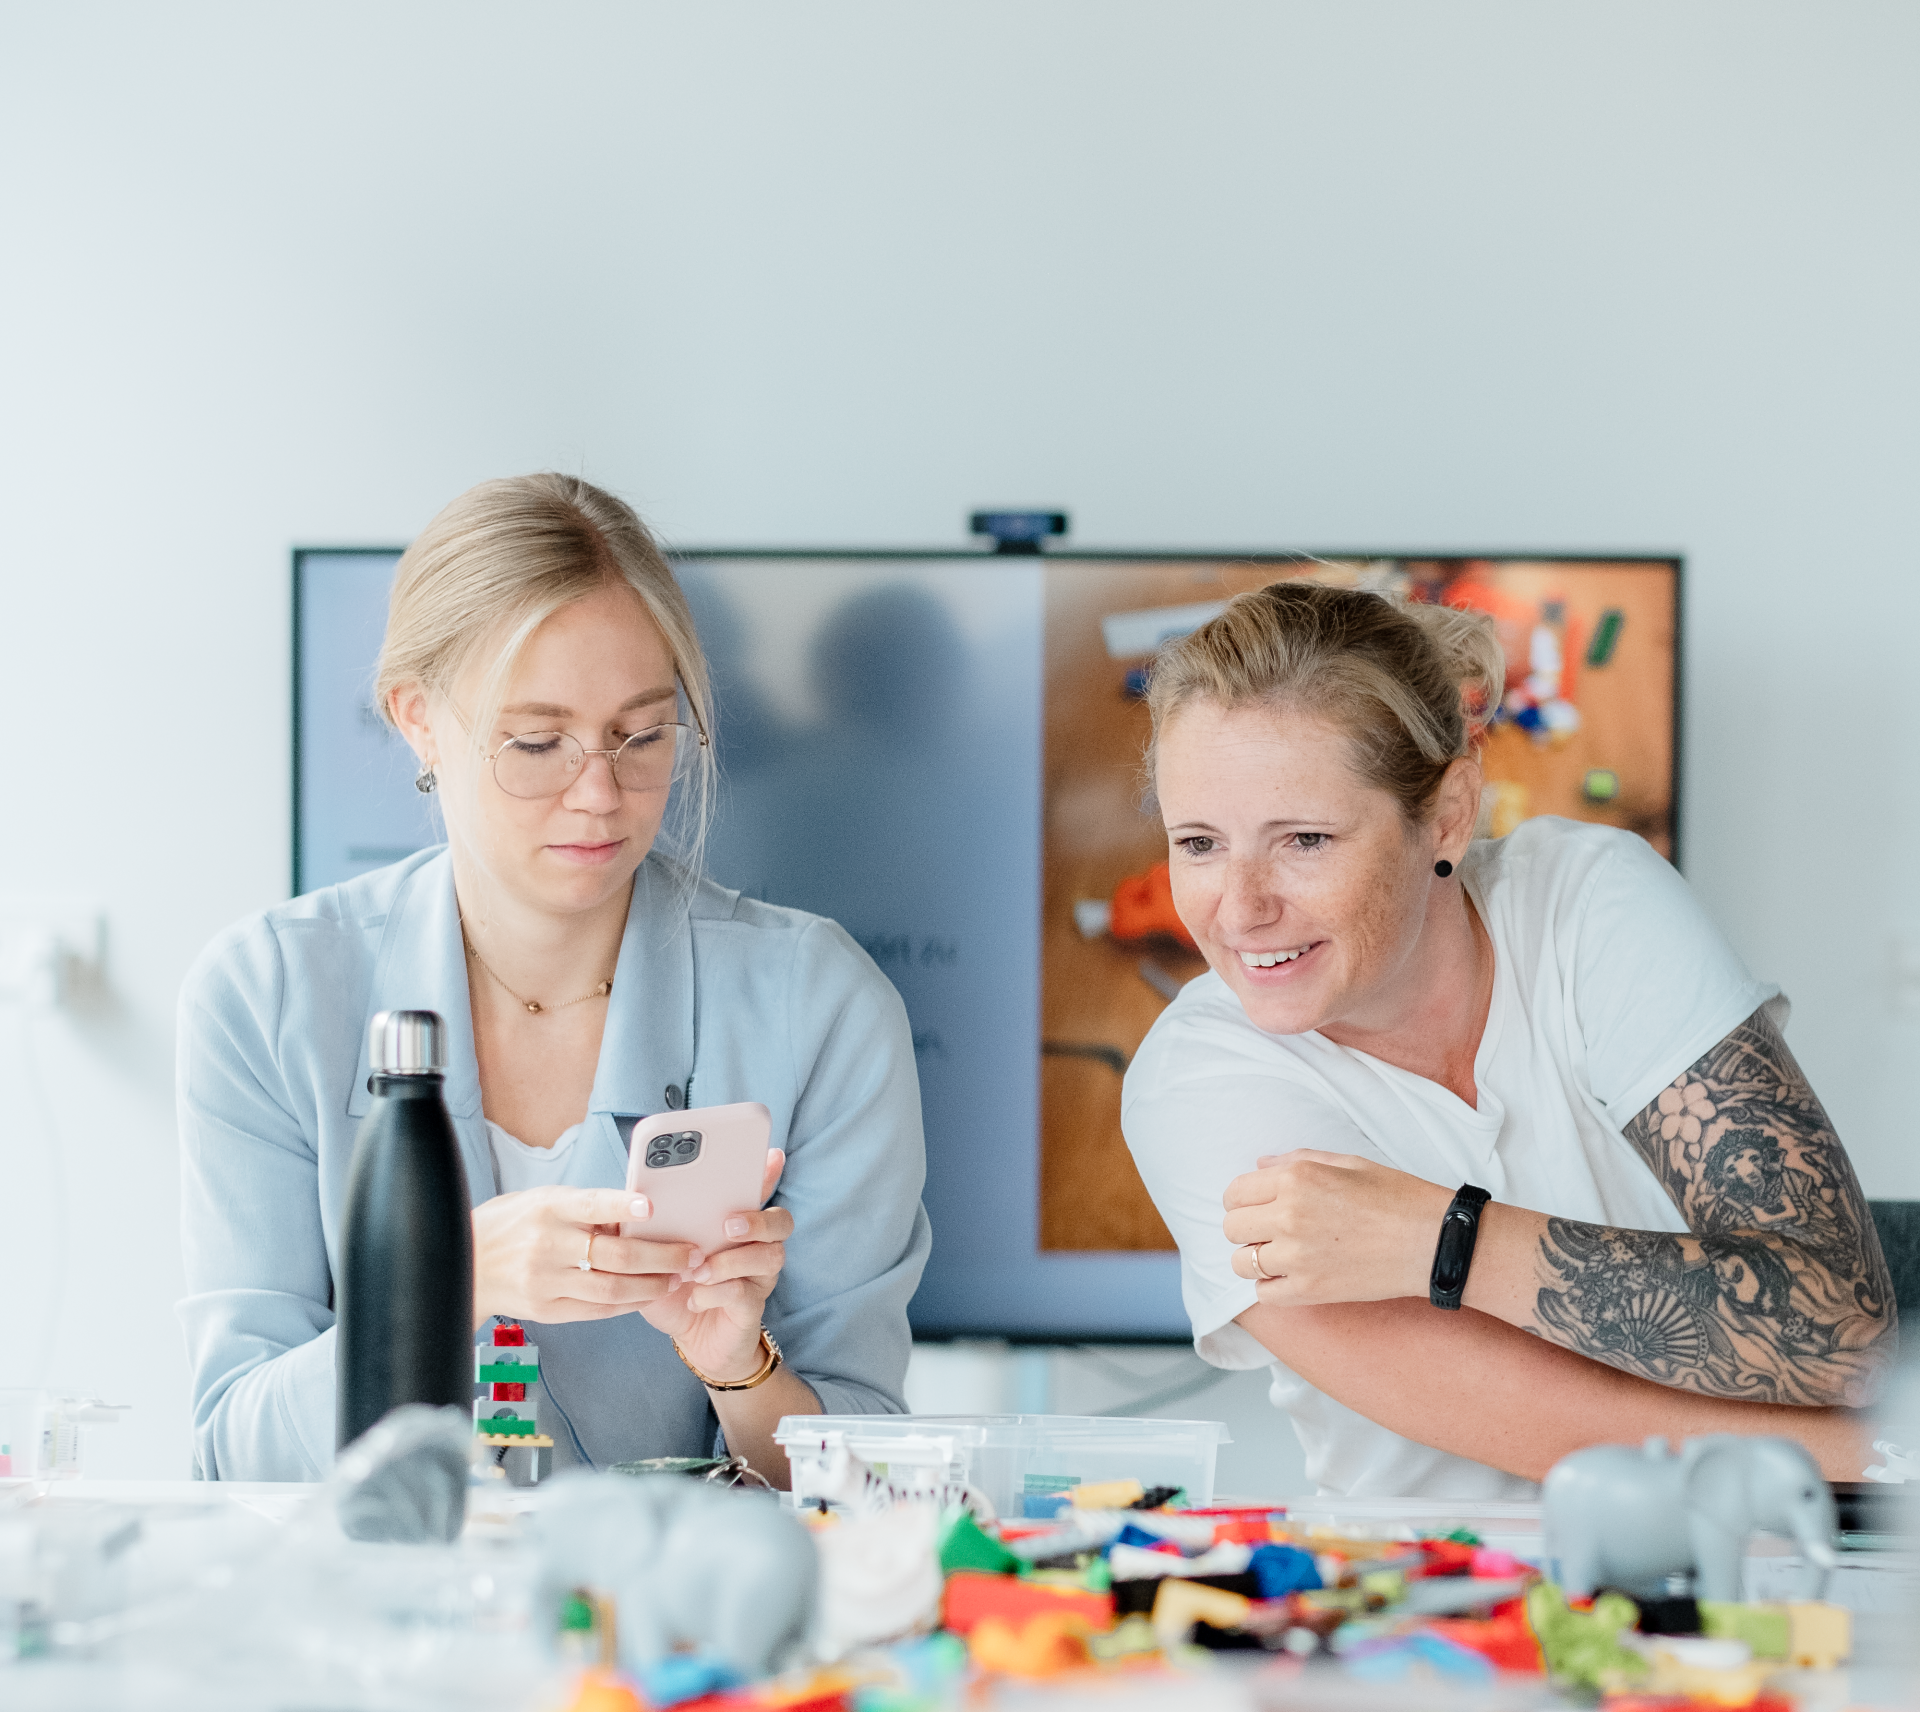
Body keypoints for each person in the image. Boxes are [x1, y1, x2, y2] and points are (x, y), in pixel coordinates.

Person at [178, 474, 930, 1482]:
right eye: (537, 742)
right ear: (417, 721)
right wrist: (455, 1282)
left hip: (683, 1627)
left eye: (643, 733)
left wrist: (739, 1369)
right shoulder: (264, 996)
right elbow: (236, 1456)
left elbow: (867, 1475)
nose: (601, 794)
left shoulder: (820, 1005)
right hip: (375, 1613)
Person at [1121, 581, 1895, 1501]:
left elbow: (1839, 1326)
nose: (1241, 909)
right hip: (1423, 1609)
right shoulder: (1197, 1082)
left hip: (1752, 1569)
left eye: (1305, 839)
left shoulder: (1587, 899)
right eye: (1199, 844)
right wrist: (1881, 1460)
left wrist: (1442, 1238)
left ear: (1447, 815)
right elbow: (1564, 1429)